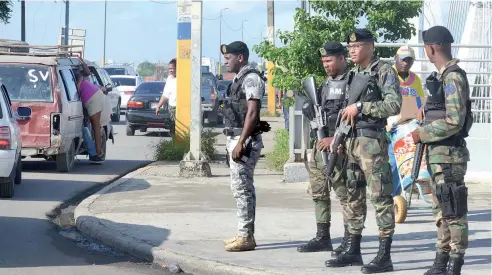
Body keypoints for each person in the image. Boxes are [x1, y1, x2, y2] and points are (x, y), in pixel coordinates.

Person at [325, 29, 401, 274]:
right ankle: (353, 248)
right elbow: (343, 111)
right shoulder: (353, 74)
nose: (352, 50)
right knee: (352, 193)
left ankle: (384, 255)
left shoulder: (384, 70)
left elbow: (394, 104)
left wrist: (361, 106)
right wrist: (338, 138)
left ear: (370, 46)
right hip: (351, 142)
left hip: (372, 143)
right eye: (350, 47)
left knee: (380, 197)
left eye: (357, 45)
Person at [411, 25, 472, 275]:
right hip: (439, 155)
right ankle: (441, 260)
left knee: (453, 210)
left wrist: (421, 133)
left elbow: (455, 120)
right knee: (442, 210)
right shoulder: (442, 77)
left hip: (448, 156)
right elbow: (443, 112)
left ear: (431, 48)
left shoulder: (453, 77)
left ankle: (455, 264)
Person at [297, 42, 350, 256]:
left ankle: (349, 239)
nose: (325, 65)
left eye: (329, 60)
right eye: (323, 62)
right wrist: (307, 107)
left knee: (345, 194)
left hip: (341, 147)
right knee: (318, 191)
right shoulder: (326, 84)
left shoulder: (351, 82)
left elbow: (350, 117)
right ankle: (322, 236)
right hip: (320, 144)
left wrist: (335, 139)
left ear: (341, 59)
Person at [220, 41, 265, 252]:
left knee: (242, 189)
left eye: (228, 58)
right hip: (236, 138)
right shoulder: (239, 79)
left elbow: (253, 113)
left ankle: (246, 236)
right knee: (239, 188)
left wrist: (241, 142)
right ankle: (243, 233)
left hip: (245, 141)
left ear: (240, 57)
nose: (225, 62)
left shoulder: (251, 79)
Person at [388, 45, 425, 196]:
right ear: (396, 59)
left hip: (408, 124)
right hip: (391, 125)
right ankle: (390, 197)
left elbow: (420, 101)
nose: (405, 63)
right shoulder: (388, 75)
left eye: (409, 60)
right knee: (392, 163)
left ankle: (398, 195)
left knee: (406, 159)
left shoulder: (415, 79)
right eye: (403, 60)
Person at [75, 59, 106, 163]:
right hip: (94, 96)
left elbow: (77, 91)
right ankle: (96, 152)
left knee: (95, 125)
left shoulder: (77, 75)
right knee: (93, 126)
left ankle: (97, 153)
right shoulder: (77, 74)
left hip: (93, 98)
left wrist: (80, 60)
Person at [156, 58, 177, 135]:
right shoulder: (169, 79)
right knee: (172, 129)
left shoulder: (182, 78)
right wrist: (158, 106)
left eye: (172, 68)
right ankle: (174, 145)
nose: (170, 70)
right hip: (172, 107)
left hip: (181, 108)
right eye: (169, 69)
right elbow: (165, 94)